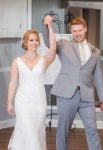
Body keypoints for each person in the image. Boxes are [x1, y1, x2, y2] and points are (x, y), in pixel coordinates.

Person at [43, 16, 103, 150]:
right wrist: (47, 25)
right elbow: (49, 43)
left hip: (87, 97)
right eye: (74, 31)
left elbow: (98, 75)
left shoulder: (95, 51)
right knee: (63, 130)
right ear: (71, 32)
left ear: (85, 29)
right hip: (67, 95)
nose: (77, 33)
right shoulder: (63, 44)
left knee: (92, 130)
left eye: (80, 30)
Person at [7, 16, 56, 150]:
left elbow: (52, 50)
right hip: (22, 102)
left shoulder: (44, 61)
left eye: (36, 40)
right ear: (25, 42)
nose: (34, 43)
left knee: (35, 132)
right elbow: (12, 84)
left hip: (38, 102)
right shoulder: (16, 62)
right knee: (27, 130)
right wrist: (9, 102)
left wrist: (50, 26)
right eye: (31, 40)